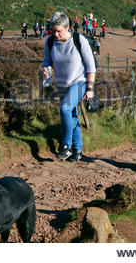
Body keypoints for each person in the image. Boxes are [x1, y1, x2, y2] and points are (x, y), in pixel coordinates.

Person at [42, 12, 96, 162]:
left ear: (67, 28)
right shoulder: (50, 41)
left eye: (58, 31)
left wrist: (90, 89)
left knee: (65, 109)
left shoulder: (79, 40)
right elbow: (46, 61)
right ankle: (78, 151)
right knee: (72, 117)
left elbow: (91, 67)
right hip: (61, 84)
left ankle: (66, 145)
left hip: (80, 82)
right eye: (53, 31)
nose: (55, 34)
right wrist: (46, 71)